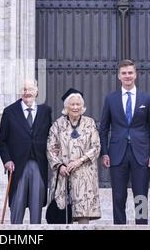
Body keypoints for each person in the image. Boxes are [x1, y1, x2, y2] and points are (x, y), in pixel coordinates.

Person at [99, 59, 150, 225]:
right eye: (124, 73)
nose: (127, 76)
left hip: (141, 154)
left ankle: (142, 227)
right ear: (119, 76)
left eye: (130, 72)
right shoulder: (111, 99)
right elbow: (103, 128)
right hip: (117, 154)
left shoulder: (147, 98)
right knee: (118, 196)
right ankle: (119, 227)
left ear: (136, 74)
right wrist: (105, 152)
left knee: (141, 196)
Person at [0, 79, 52, 224]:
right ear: (20, 92)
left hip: (39, 164)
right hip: (17, 165)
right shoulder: (9, 111)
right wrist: (7, 160)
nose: (27, 92)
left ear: (36, 91)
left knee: (36, 208)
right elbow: (2, 141)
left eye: (30, 89)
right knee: (17, 205)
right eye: (24, 89)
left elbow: (51, 137)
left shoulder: (46, 111)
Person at [47, 88, 101, 223]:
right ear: (66, 106)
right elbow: (51, 148)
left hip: (85, 177)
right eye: (72, 104)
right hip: (64, 176)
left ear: (83, 106)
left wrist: (79, 161)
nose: (75, 107)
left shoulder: (90, 123)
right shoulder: (57, 125)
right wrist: (60, 166)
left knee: (83, 216)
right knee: (63, 216)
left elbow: (96, 147)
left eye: (78, 104)